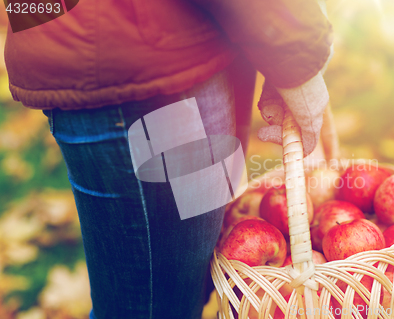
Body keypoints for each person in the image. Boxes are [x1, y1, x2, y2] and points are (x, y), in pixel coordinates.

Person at [4, 1, 333, 318]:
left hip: (120, 42)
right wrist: (295, 49)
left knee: (177, 294)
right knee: (155, 308)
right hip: (146, 65)